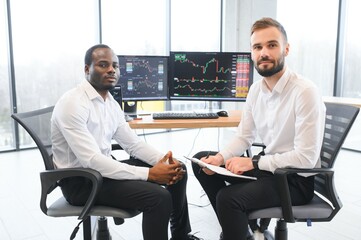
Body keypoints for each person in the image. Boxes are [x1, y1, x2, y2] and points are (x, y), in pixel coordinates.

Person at [191, 17, 326, 240]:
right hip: (269, 169)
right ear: (252, 53)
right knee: (201, 162)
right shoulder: (256, 90)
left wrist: (253, 162)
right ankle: (241, 230)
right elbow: (244, 136)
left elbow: (306, 159)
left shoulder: (304, 92)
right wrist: (220, 157)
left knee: (228, 199)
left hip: (293, 180)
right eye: (257, 47)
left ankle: (237, 231)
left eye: (272, 45)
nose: (264, 52)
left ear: (286, 49)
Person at [51, 44, 201, 240]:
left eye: (115, 66)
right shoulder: (72, 103)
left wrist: (162, 162)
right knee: (158, 197)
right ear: (87, 69)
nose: (112, 70)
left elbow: (133, 144)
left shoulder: (110, 103)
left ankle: (181, 237)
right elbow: (92, 160)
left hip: (103, 172)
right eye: (103, 65)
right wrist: (150, 174)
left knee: (177, 170)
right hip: (81, 182)